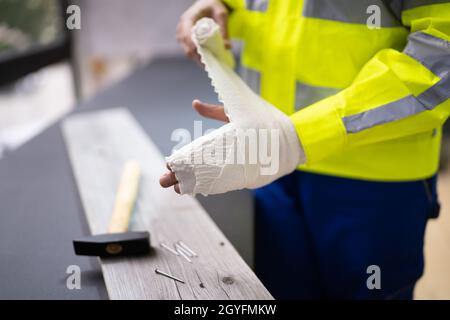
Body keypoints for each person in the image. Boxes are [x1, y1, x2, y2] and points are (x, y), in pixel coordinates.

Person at [160, 0, 450, 299]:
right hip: (268, 162)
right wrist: (218, 6)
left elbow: (442, 53)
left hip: (373, 179)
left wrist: (301, 136)